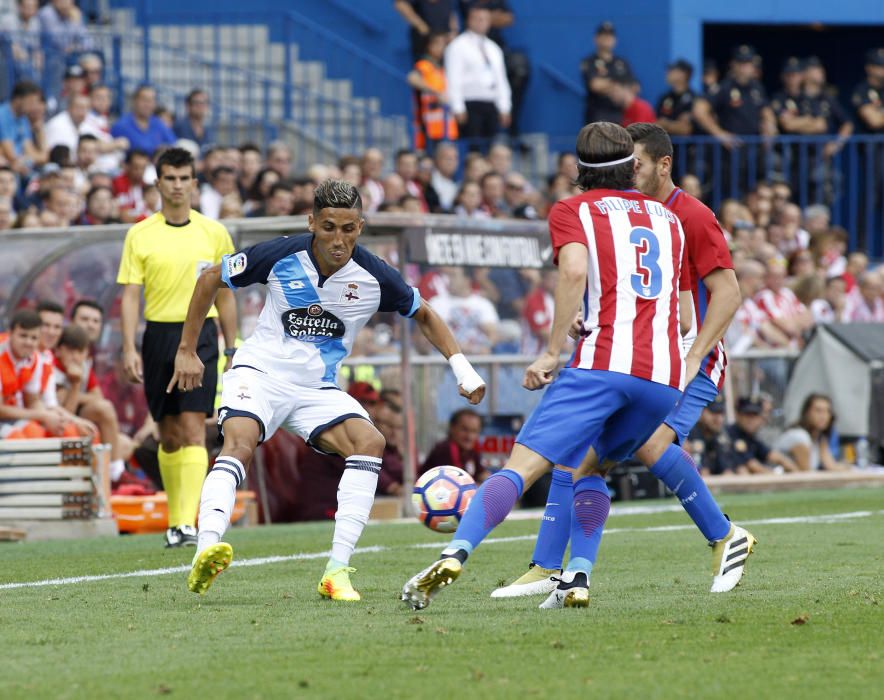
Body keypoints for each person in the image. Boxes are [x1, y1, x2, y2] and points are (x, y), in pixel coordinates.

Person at [401, 121, 693, 611]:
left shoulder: (572, 209)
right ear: (631, 166)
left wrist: (553, 351)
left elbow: (575, 271)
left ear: (578, 168)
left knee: (522, 467)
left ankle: (455, 552)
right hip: (664, 377)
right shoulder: (669, 219)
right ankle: (577, 577)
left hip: (604, 364)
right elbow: (680, 311)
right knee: (589, 466)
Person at [170, 178, 485, 601]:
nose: (339, 239)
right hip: (259, 372)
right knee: (240, 442)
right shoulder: (281, 254)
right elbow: (211, 278)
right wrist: (187, 349)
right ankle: (206, 549)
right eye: (330, 227)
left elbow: (424, 313)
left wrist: (462, 368)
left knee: (369, 441)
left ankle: (336, 571)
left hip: (316, 387)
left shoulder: (374, 275)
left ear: (361, 226)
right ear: (312, 222)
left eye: (350, 228)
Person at [492, 122, 751, 602]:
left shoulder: (690, 215)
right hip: (630, 356)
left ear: (662, 164)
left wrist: (694, 355)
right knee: (577, 452)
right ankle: (550, 567)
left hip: (683, 357)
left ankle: (724, 535)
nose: (624, 172)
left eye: (634, 165)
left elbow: (728, 293)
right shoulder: (624, 212)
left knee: (647, 444)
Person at [117, 147, 238, 548]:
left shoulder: (214, 232)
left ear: (194, 183)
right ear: (158, 183)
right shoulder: (140, 233)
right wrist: (129, 346)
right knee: (168, 434)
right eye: (170, 177)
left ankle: (189, 524)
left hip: (201, 335)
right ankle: (177, 521)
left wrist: (232, 346)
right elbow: (132, 295)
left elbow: (226, 293)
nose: (178, 185)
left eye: (185, 178)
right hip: (158, 337)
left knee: (192, 427)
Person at [444, 4, 511, 150]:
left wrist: (504, 107)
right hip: (469, 105)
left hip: (490, 104)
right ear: (469, 20)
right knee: (472, 148)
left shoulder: (494, 48)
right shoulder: (458, 46)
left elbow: (501, 80)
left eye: (485, 19)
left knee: (491, 147)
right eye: (478, 19)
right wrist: (458, 107)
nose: (482, 23)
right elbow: (453, 79)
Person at [408, 32, 459, 152]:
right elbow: (412, 78)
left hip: (442, 124)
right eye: (439, 44)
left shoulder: (441, 67)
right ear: (430, 46)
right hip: (428, 122)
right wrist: (435, 93)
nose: (442, 48)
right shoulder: (424, 65)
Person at [774, 394, 851, 472]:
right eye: (818, 411)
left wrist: (849, 467)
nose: (823, 416)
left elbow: (831, 466)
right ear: (807, 413)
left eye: (827, 411)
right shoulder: (799, 436)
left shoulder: (820, 439)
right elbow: (806, 474)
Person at [721, 397, 799, 474]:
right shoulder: (730, 434)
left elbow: (775, 456)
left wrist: (797, 473)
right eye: (747, 415)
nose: (751, 420)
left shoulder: (751, 437)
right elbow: (752, 466)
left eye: (755, 415)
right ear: (738, 415)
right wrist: (779, 478)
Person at [579, 22, 633, 126]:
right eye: (603, 35)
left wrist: (609, 85)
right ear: (596, 38)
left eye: (610, 35)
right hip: (597, 113)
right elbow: (595, 85)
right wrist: (618, 85)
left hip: (621, 114)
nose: (607, 38)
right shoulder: (589, 61)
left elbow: (634, 86)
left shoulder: (622, 63)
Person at [420, 408, 488, 482]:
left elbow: (482, 474)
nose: (469, 436)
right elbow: (453, 484)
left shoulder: (471, 452)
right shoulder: (444, 450)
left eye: (474, 431)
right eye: (464, 429)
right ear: (452, 428)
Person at [111, 85, 176, 156]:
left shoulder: (159, 124)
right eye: (144, 100)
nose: (148, 104)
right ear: (134, 101)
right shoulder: (121, 126)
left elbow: (173, 144)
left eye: (151, 100)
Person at [0, 80, 47, 176]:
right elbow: (10, 154)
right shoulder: (3, 115)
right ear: (18, 99)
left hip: (21, 164)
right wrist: (25, 160)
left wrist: (40, 131)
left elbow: (38, 155)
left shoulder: (23, 119)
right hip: (7, 165)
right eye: (31, 101)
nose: (34, 106)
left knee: (50, 171)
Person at [394, 0, 458, 62]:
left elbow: (451, 13)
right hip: (424, 45)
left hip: (445, 45)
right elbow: (400, 3)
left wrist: (453, 32)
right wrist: (421, 26)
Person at [656, 59, 697, 136]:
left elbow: (686, 129)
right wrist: (673, 125)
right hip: (666, 146)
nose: (667, 73)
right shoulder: (665, 97)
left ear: (683, 74)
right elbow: (657, 124)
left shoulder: (694, 98)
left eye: (672, 70)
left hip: (687, 147)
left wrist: (666, 124)